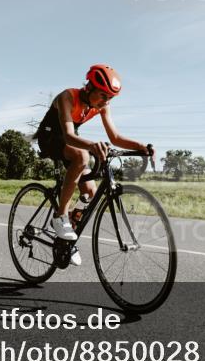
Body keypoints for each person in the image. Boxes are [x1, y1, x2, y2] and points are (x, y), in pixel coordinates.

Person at [35, 64, 152, 266]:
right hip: (51, 138)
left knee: (90, 192)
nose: (106, 101)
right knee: (82, 156)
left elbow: (115, 137)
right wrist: (91, 145)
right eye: (103, 95)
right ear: (89, 87)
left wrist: (140, 146)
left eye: (110, 98)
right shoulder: (67, 97)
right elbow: (69, 136)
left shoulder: (102, 105)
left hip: (71, 142)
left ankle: (65, 239)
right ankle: (60, 215)